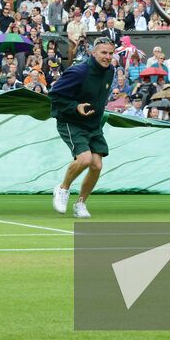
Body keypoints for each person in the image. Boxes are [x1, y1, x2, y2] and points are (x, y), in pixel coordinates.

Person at [48, 38, 117, 218]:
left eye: (110, 53)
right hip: (71, 121)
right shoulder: (79, 71)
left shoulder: (111, 71)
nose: (107, 57)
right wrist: (75, 107)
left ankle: (80, 204)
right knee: (85, 159)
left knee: (96, 165)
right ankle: (63, 188)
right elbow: (54, 95)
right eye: (103, 53)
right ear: (93, 53)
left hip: (93, 124)